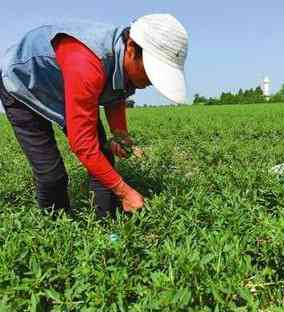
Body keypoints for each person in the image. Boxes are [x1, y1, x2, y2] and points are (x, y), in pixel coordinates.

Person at [0, 14, 189, 217]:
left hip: (64, 86)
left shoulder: (120, 55)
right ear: (132, 49)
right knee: (51, 175)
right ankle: (55, 229)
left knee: (104, 156)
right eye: (150, 72)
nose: (151, 81)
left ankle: (105, 224)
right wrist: (124, 191)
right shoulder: (86, 62)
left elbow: (115, 94)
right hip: (21, 85)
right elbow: (82, 145)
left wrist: (119, 134)